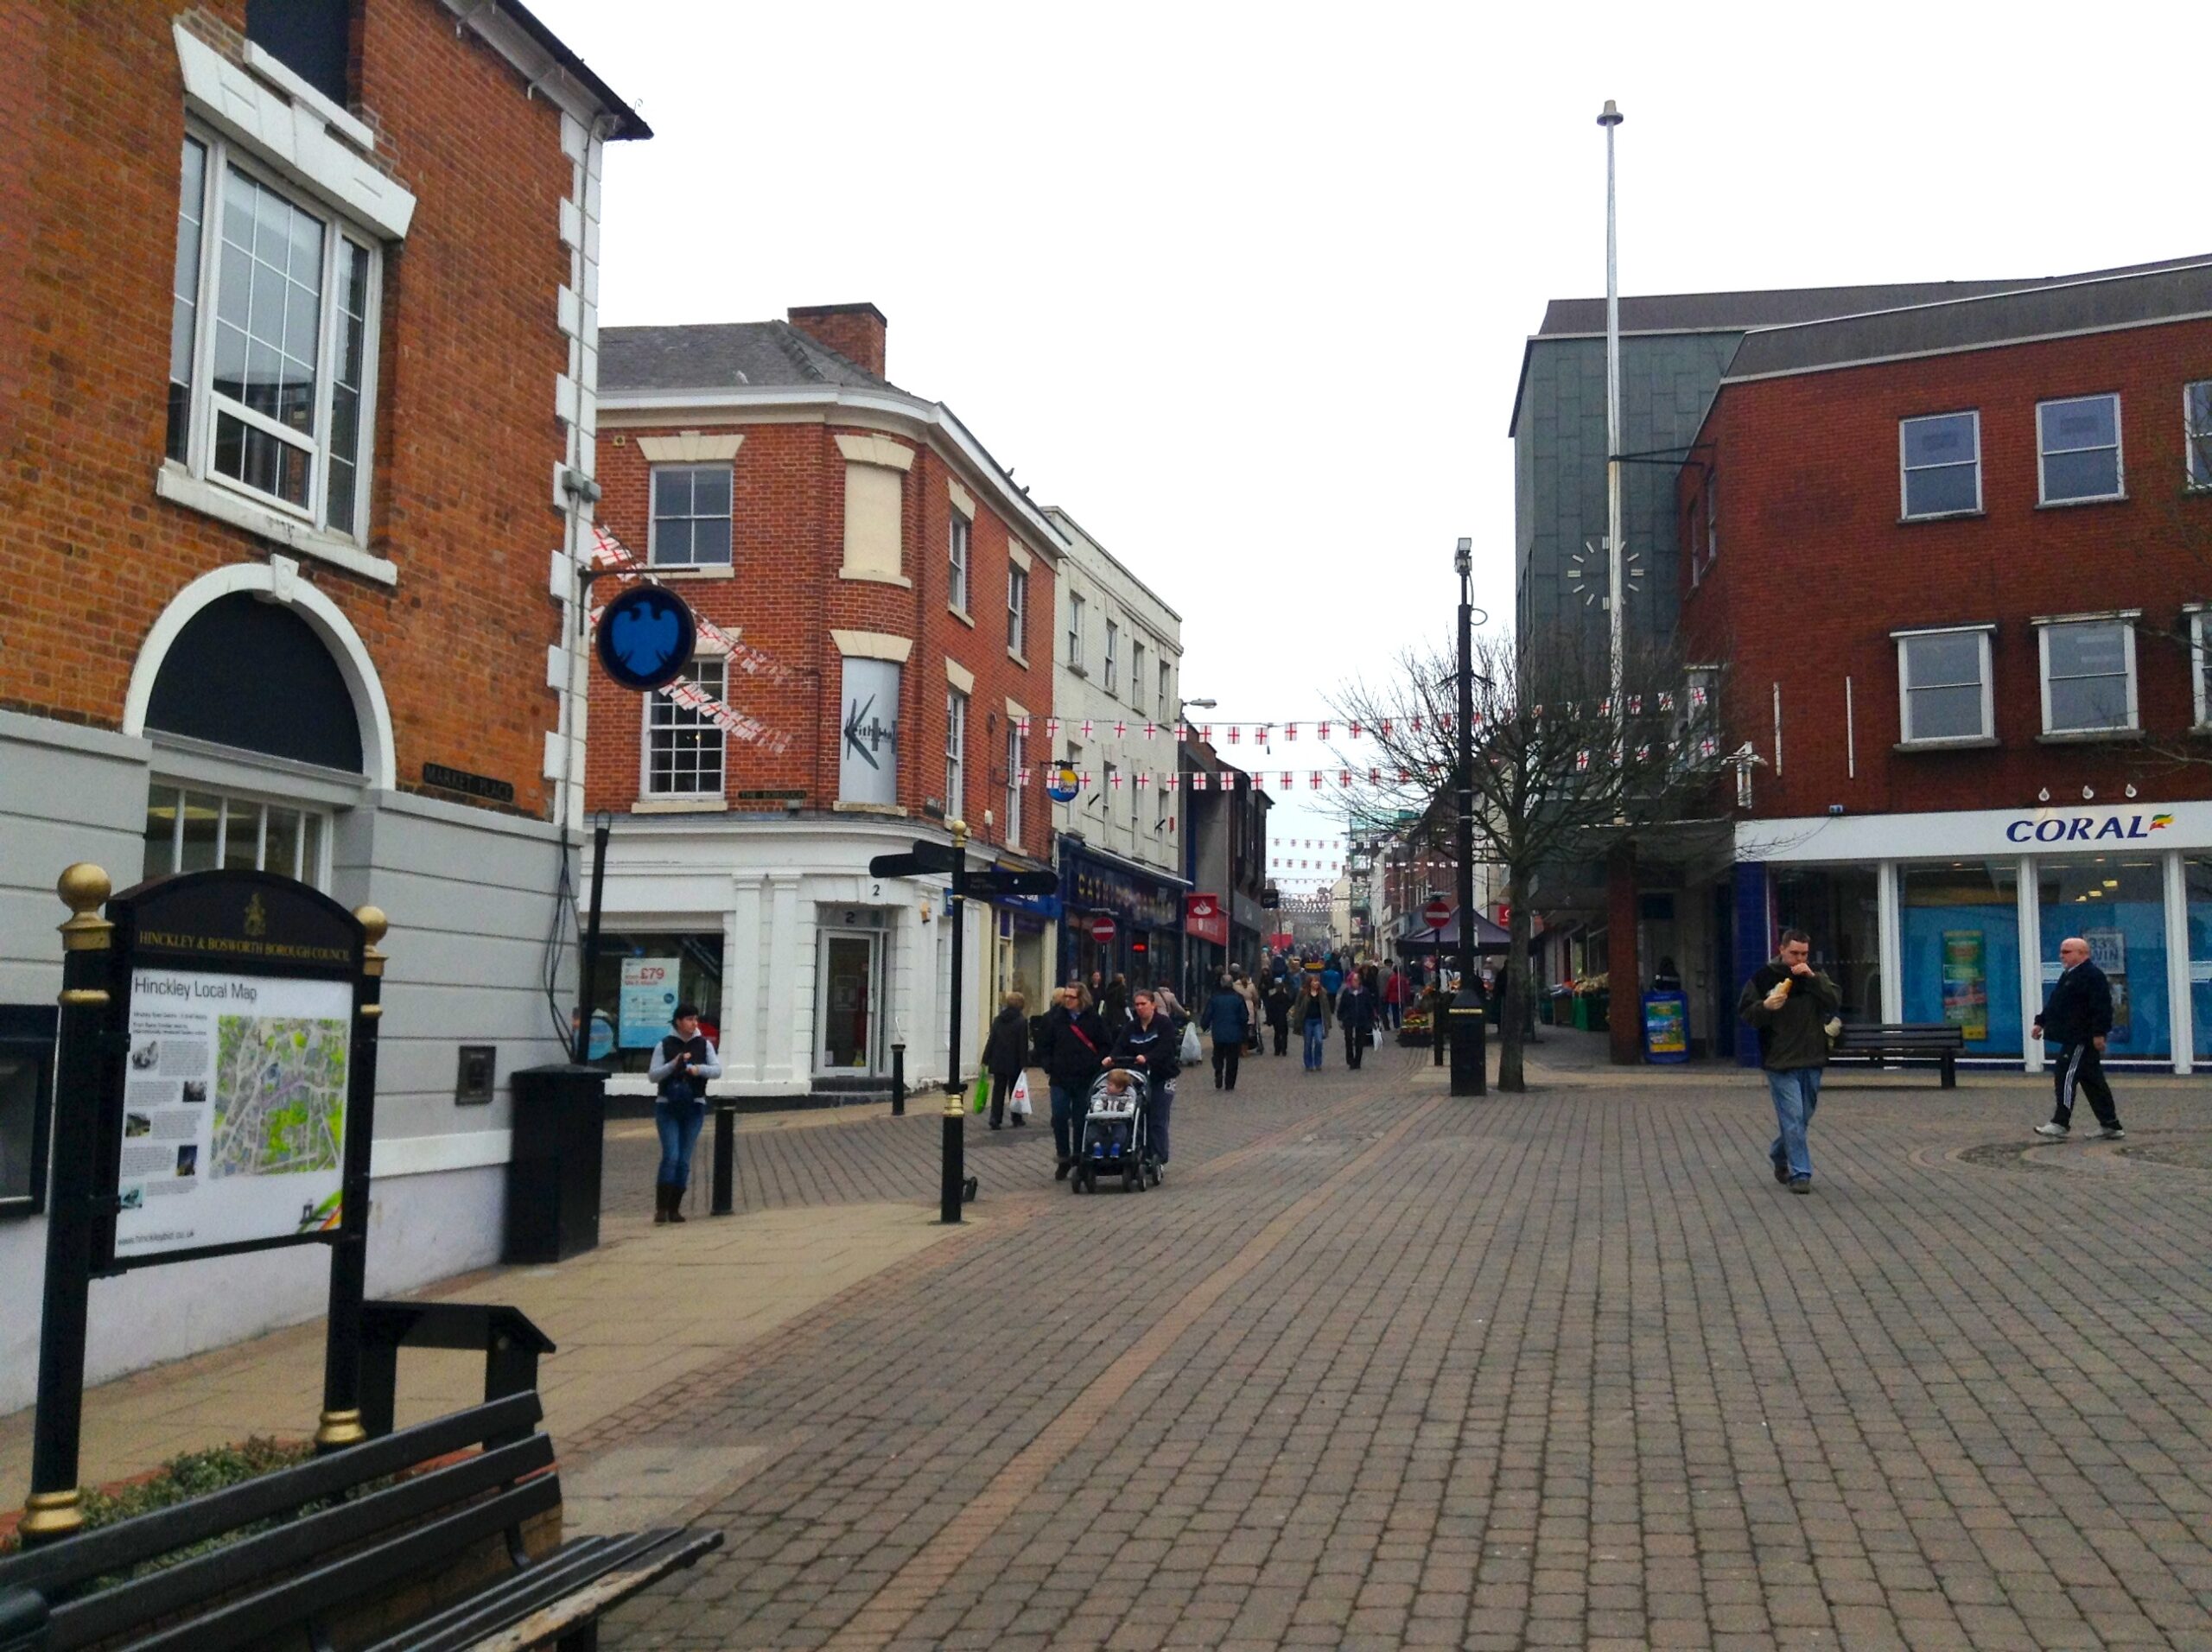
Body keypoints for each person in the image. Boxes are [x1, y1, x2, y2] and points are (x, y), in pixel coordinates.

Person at [1737, 929, 1840, 1194]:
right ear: (1781, 949)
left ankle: (1778, 1153)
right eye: (1794, 953)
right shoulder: (1763, 978)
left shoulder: (1815, 975)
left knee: (1803, 1117)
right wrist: (1766, 1007)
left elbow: (1835, 1001)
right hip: (1780, 1060)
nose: (1799, 959)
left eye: (1804, 953)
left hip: (1812, 1056)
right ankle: (1801, 1173)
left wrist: (1814, 979)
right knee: (1792, 1117)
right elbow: (1747, 1013)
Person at [2032, 936, 2125, 1141]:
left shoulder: (2092, 975)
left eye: (2066, 952)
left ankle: (2060, 1122)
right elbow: (2056, 1002)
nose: (2061, 956)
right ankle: (2110, 1124)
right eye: (2061, 951)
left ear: (2082, 954)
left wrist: (2099, 1033)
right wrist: (2041, 1022)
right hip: (2071, 1035)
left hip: (2081, 1037)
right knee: (2093, 1081)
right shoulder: (2069, 975)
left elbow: (2102, 1007)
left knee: (2065, 1075)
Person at [646, 1003, 721, 1223]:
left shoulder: (704, 1044)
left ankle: (674, 1208)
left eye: (695, 1019)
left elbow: (717, 1070)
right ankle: (661, 1208)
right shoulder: (665, 1044)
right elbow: (653, 1075)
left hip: (694, 1105)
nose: (694, 1023)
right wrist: (674, 1064)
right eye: (689, 1019)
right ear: (678, 1021)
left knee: (684, 1160)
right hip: (667, 1105)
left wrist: (697, 1069)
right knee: (671, 1155)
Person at [1109, 987, 1181, 1173]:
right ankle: (1139, 1150)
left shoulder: (1164, 1024)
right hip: (1139, 1077)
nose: (1140, 1008)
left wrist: (1148, 1057)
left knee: (1157, 1116)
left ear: (1153, 1005)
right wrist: (1112, 1058)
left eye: (1143, 1004)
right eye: (1137, 1005)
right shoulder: (1131, 1027)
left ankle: (1159, 1156)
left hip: (1162, 1076)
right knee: (1137, 1115)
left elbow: (1166, 1047)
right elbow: (1121, 1045)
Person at [1039, 984, 1108, 1179]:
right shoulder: (1053, 1019)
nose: (1067, 1000)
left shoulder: (1094, 1020)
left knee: (1080, 1119)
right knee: (1059, 1117)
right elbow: (1043, 1045)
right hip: (1060, 1077)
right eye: (1066, 997)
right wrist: (1048, 1064)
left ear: (1081, 999)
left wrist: (1095, 1064)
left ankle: (1079, 1156)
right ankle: (1063, 1157)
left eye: (1072, 997)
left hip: (1084, 1077)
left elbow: (1105, 1044)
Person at [981, 991, 1029, 1130]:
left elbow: (992, 1040)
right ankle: (1016, 1118)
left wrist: (986, 1058)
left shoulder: (998, 1019)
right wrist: (1024, 1063)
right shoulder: (1021, 1021)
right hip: (1014, 1061)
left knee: (998, 1090)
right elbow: (1022, 1044)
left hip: (998, 1059)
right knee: (1015, 1090)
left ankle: (995, 1118)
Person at [1202, 972, 1251, 1090]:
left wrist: (1205, 1025)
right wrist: (1244, 1029)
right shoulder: (1238, 998)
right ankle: (1229, 1083)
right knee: (1232, 1059)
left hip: (1218, 1033)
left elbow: (1208, 1014)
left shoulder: (1215, 998)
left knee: (1218, 1055)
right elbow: (1244, 1016)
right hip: (1234, 1034)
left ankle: (1218, 1071)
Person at [1336, 971, 1376, 1069]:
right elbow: (1342, 1006)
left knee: (1360, 1041)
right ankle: (1350, 1060)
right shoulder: (1347, 992)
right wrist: (1340, 1017)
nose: (1356, 982)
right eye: (1354, 980)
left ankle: (1357, 1061)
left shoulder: (1365, 992)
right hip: (1349, 1019)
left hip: (1362, 1019)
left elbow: (1369, 1005)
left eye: (1357, 980)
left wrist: (1372, 1018)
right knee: (1348, 1039)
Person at [1297, 974, 1334, 1071]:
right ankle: (1308, 1064)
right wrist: (1298, 1020)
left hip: (1318, 1021)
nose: (1316, 983)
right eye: (1314, 981)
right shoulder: (1303, 993)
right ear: (1310, 983)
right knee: (1307, 1043)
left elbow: (1326, 1009)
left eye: (1317, 981)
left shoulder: (1322, 993)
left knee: (1319, 1041)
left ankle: (1318, 1062)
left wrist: (1328, 1023)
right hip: (1307, 1021)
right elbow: (1298, 1006)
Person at [1263, 973, 1292, 1057]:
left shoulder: (1272, 998)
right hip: (1284, 1018)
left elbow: (1269, 1009)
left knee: (1277, 1033)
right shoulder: (1286, 997)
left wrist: (1269, 1019)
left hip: (1276, 1018)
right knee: (1284, 1034)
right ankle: (1284, 1049)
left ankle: (1277, 1049)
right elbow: (1290, 1007)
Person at [1382, 962, 1404, 1031]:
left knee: (1395, 1012)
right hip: (1401, 997)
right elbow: (1406, 988)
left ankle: (1396, 1025)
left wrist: (1386, 996)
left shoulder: (1392, 979)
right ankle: (1402, 1024)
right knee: (1402, 1011)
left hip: (1393, 998)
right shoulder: (1402, 979)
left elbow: (1388, 989)